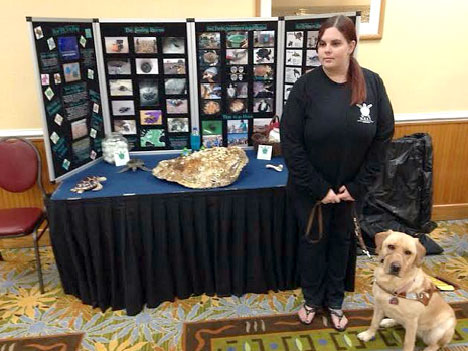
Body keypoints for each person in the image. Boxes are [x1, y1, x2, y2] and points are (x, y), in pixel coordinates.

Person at [280, 15, 394, 331]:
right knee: (313, 242)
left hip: (351, 190)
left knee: (341, 243)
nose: (326, 50)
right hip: (310, 190)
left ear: (351, 46)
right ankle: (311, 299)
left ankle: (334, 301)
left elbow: (383, 136)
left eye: (335, 43)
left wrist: (357, 186)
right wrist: (320, 188)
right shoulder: (305, 87)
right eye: (322, 44)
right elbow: (291, 143)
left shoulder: (372, 83)